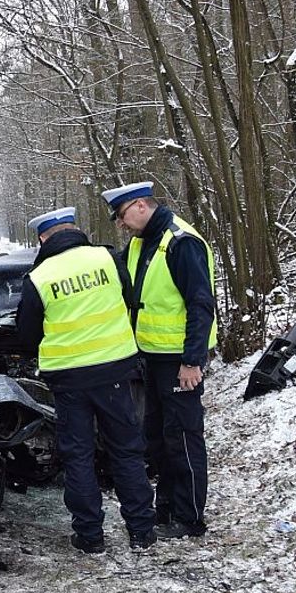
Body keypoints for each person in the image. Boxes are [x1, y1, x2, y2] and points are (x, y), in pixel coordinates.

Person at [15, 206, 156, 553]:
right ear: (74, 228)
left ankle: (90, 538)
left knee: (78, 456)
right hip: (116, 374)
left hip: (68, 381)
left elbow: (27, 335)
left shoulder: (39, 277)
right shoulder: (107, 258)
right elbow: (129, 300)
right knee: (126, 452)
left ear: (43, 238)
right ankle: (142, 531)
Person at [101, 182, 216, 540]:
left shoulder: (181, 242)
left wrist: (192, 361)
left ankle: (190, 519)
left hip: (179, 360)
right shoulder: (141, 242)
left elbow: (201, 304)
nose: (121, 224)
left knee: (183, 438)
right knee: (159, 438)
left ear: (139, 206)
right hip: (150, 358)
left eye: (121, 216)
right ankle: (165, 509)